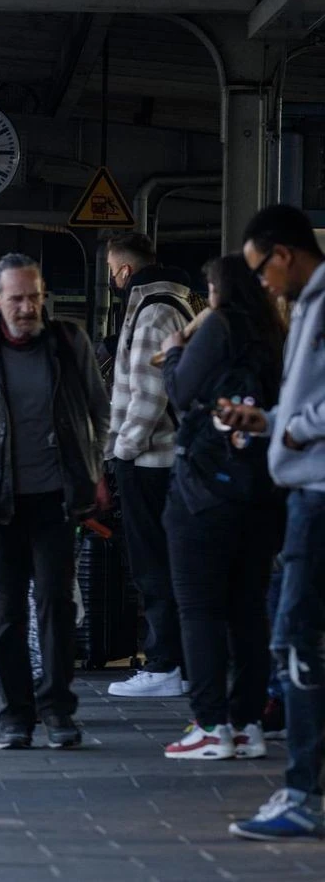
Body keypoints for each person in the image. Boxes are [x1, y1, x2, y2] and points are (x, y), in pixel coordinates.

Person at [0, 253, 110, 749]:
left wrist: (93, 469)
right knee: (5, 612)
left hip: (55, 502)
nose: (26, 307)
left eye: (34, 297)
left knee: (57, 607)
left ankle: (58, 711)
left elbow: (98, 412)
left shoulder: (67, 344)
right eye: (16, 298)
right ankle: (15, 716)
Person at [216, 205, 325, 840]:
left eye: (260, 271)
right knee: (298, 642)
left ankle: (302, 793)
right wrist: (268, 421)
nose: (261, 284)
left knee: (297, 644)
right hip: (306, 491)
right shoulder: (310, 304)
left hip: (318, 493)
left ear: (282, 255)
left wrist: (294, 428)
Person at [157, 254, 286, 761]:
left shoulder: (220, 326)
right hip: (262, 496)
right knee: (248, 612)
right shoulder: (275, 335)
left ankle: (210, 726)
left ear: (220, 292)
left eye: (209, 290)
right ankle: (249, 722)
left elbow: (181, 392)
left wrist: (172, 354)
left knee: (200, 609)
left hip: (205, 495)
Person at [104, 233, 196, 698]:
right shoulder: (169, 304)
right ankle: (173, 660)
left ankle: (165, 663)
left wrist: (122, 451)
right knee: (166, 559)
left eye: (111, 274)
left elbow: (148, 391)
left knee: (152, 562)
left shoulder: (152, 309)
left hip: (151, 459)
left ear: (123, 271)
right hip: (160, 457)